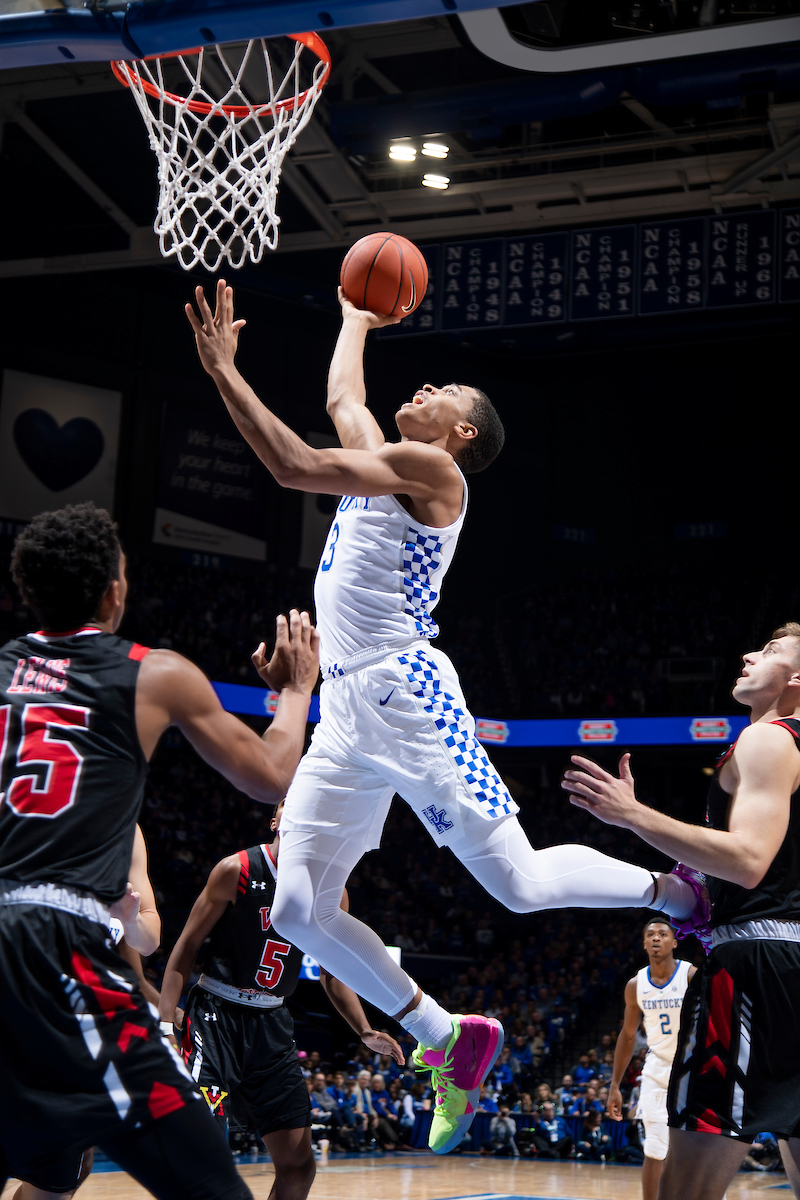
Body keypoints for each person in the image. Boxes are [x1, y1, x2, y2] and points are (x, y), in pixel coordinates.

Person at [185, 279, 707, 1155]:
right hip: (347, 709)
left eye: (440, 394)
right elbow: (344, 398)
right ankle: (446, 1036)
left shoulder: (434, 470)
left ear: (461, 433)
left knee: (517, 883)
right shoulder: (388, 461)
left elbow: (290, 465)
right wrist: (352, 318)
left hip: (406, 693)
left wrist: (222, 372)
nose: (419, 392)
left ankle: (678, 889)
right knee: (299, 912)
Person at [0, 503, 319, 1200]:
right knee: (210, 1187)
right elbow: (271, 773)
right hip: (59, 945)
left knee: (52, 1172)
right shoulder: (154, 672)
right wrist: (295, 693)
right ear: (116, 591)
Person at [562, 624, 800, 1200]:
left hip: (757, 968)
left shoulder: (769, 742)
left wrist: (633, 815)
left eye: (769, 650)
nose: (746, 654)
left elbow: (747, 861)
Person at [159, 799, 404, 1193]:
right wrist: (165, 1025)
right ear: (275, 820)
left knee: (299, 1165)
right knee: (200, 1149)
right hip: (216, 1013)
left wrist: (363, 1030)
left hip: (272, 1022)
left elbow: (333, 975)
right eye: (294, 805)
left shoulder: (331, 890)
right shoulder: (236, 869)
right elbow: (184, 949)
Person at [607, 918, 696, 1200]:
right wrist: (614, 1085)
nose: (656, 938)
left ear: (674, 941)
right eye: (650, 934)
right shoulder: (635, 985)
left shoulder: (690, 975)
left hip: (693, 1070)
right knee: (655, 1149)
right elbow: (628, 1035)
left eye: (662, 933)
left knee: (701, 1147)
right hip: (657, 1069)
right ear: (644, 943)